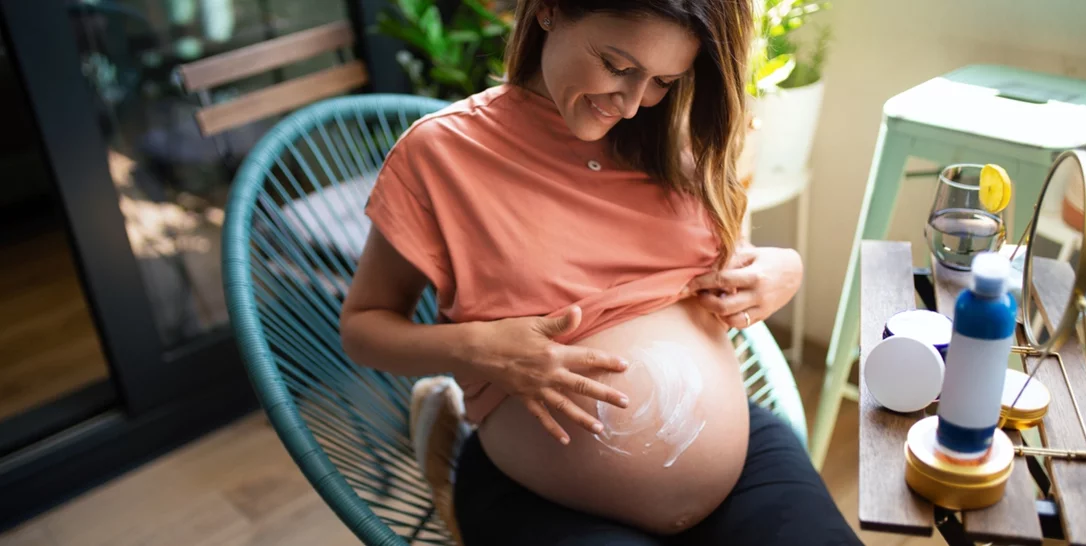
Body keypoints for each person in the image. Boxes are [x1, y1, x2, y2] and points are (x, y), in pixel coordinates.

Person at [340, 0, 863, 544]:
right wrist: (478, 348)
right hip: (539, 496)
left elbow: (732, 264)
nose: (634, 103)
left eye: (663, 79)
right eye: (617, 66)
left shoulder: (679, 136)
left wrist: (783, 269)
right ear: (548, 10)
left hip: (742, 463)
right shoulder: (441, 154)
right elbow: (363, 328)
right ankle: (451, 435)